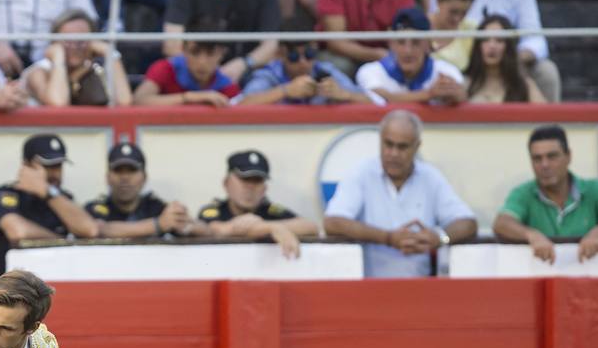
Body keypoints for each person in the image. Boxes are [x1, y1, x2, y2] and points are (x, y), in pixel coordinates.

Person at [323, 110, 477, 277]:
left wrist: (440, 238)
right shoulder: (362, 173)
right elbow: (333, 222)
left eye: (402, 147)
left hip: (420, 290)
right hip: (368, 290)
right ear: (380, 141)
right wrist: (387, 238)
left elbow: (468, 223)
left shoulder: (430, 177)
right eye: (388, 144)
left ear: (417, 146)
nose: (394, 154)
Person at [0, 134, 100, 278]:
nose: (55, 173)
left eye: (59, 166)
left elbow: (90, 230)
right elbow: (19, 232)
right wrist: (62, 241)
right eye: (48, 166)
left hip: (47, 287)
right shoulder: (6, 193)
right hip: (3, 291)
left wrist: (47, 192)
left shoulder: (62, 198)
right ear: (26, 166)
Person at [492, 126, 598, 264]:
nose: (545, 165)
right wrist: (532, 235)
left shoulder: (593, 188)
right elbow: (502, 223)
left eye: (552, 156)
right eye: (537, 158)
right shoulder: (523, 193)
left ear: (568, 156)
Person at [187, 150, 319, 258]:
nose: (250, 187)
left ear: (265, 189)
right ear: (226, 183)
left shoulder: (271, 211)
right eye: (244, 179)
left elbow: (310, 227)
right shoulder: (213, 211)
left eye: (257, 180)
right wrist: (272, 229)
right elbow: (218, 230)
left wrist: (270, 226)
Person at [236, 16, 376, 105]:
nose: (303, 62)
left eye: (309, 54)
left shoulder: (325, 70)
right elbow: (242, 105)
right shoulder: (269, 75)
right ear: (280, 54)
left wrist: (344, 94)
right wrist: (285, 91)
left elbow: (372, 103)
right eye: (294, 57)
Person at [354, 6, 465, 105]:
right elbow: (386, 100)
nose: (408, 51)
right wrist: (430, 94)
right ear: (391, 43)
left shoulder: (447, 71)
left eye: (416, 42)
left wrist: (456, 95)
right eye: (401, 42)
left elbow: (462, 99)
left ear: (427, 44)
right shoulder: (370, 71)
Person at [23, 10, 132, 107]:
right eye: (68, 40)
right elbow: (58, 104)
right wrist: (58, 58)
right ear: (55, 42)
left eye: (81, 39)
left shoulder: (97, 69)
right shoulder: (39, 72)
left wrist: (109, 53)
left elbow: (124, 102)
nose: (75, 46)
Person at [83, 142, 191, 237]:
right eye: (118, 170)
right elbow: (98, 229)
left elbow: (199, 228)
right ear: (107, 177)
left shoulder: (155, 207)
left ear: (144, 177)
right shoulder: (96, 208)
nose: (125, 177)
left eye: (132, 170)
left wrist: (182, 219)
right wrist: (158, 225)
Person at [133, 16, 240, 107]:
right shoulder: (165, 69)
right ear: (183, 49)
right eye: (195, 52)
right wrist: (189, 98)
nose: (202, 62)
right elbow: (138, 101)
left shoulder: (228, 88)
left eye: (210, 54)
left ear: (222, 53)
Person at [463, 13, 543, 104]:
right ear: (478, 45)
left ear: (508, 46)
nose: (492, 46)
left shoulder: (524, 86)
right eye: (485, 39)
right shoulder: (465, 84)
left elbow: (546, 115)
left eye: (499, 40)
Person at [426, 0, 477, 72]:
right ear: (438, 0)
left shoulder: (472, 31)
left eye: (464, 13)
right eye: (453, 12)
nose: (457, 18)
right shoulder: (418, 28)